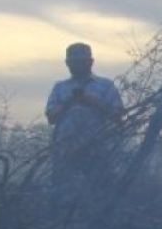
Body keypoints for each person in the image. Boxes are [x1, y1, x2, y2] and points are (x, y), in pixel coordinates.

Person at [45, 42, 125, 193]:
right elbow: (51, 117)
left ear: (90, 62)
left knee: (99, 193)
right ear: (67, 63)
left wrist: (90, 101)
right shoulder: (60, 87)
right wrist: (70, 102)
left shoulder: (105, 85)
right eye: (73, 62)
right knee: (62, 194)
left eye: (81, 61)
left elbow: (118, 115)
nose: (77, 65)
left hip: (97, 150)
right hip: (65, 152)